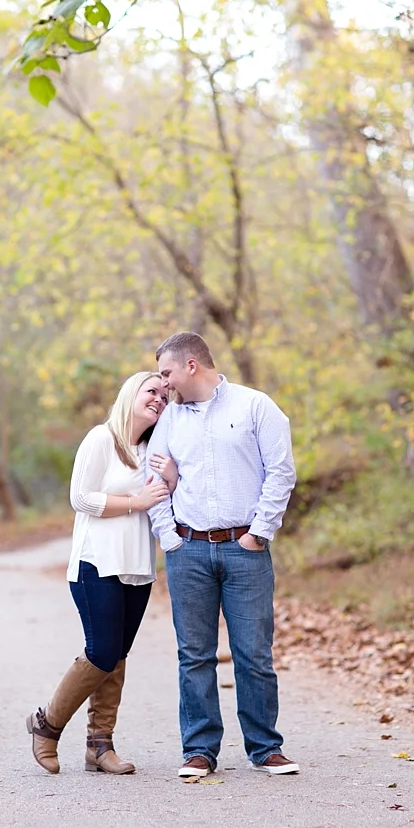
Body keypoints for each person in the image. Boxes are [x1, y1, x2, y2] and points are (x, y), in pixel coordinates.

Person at [147, 332, 301, 779]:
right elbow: (153, 481)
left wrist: (259, 533)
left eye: (167, 373)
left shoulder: (256, 406)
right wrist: (169, 538)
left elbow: (281, 472)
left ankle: (265, 748)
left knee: (254, 652)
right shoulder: (169, 421)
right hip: (188, 550)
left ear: (191, 365)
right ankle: (199, 751)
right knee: (194, 654)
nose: (164, 383)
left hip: (244, 550)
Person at [26, 371, 174, 774]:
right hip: (97, 563)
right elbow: (80, 497)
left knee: (117, 655)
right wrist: (135, 500)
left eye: (165, 394)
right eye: (152, 391)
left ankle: (99, 746)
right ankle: (46, 725)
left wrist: (171, 481)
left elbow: (167, 500)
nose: (160, 398)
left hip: (137, 565)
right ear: (130, 394)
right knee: (102, 651)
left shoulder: (154, 448)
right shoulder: (101, 439)